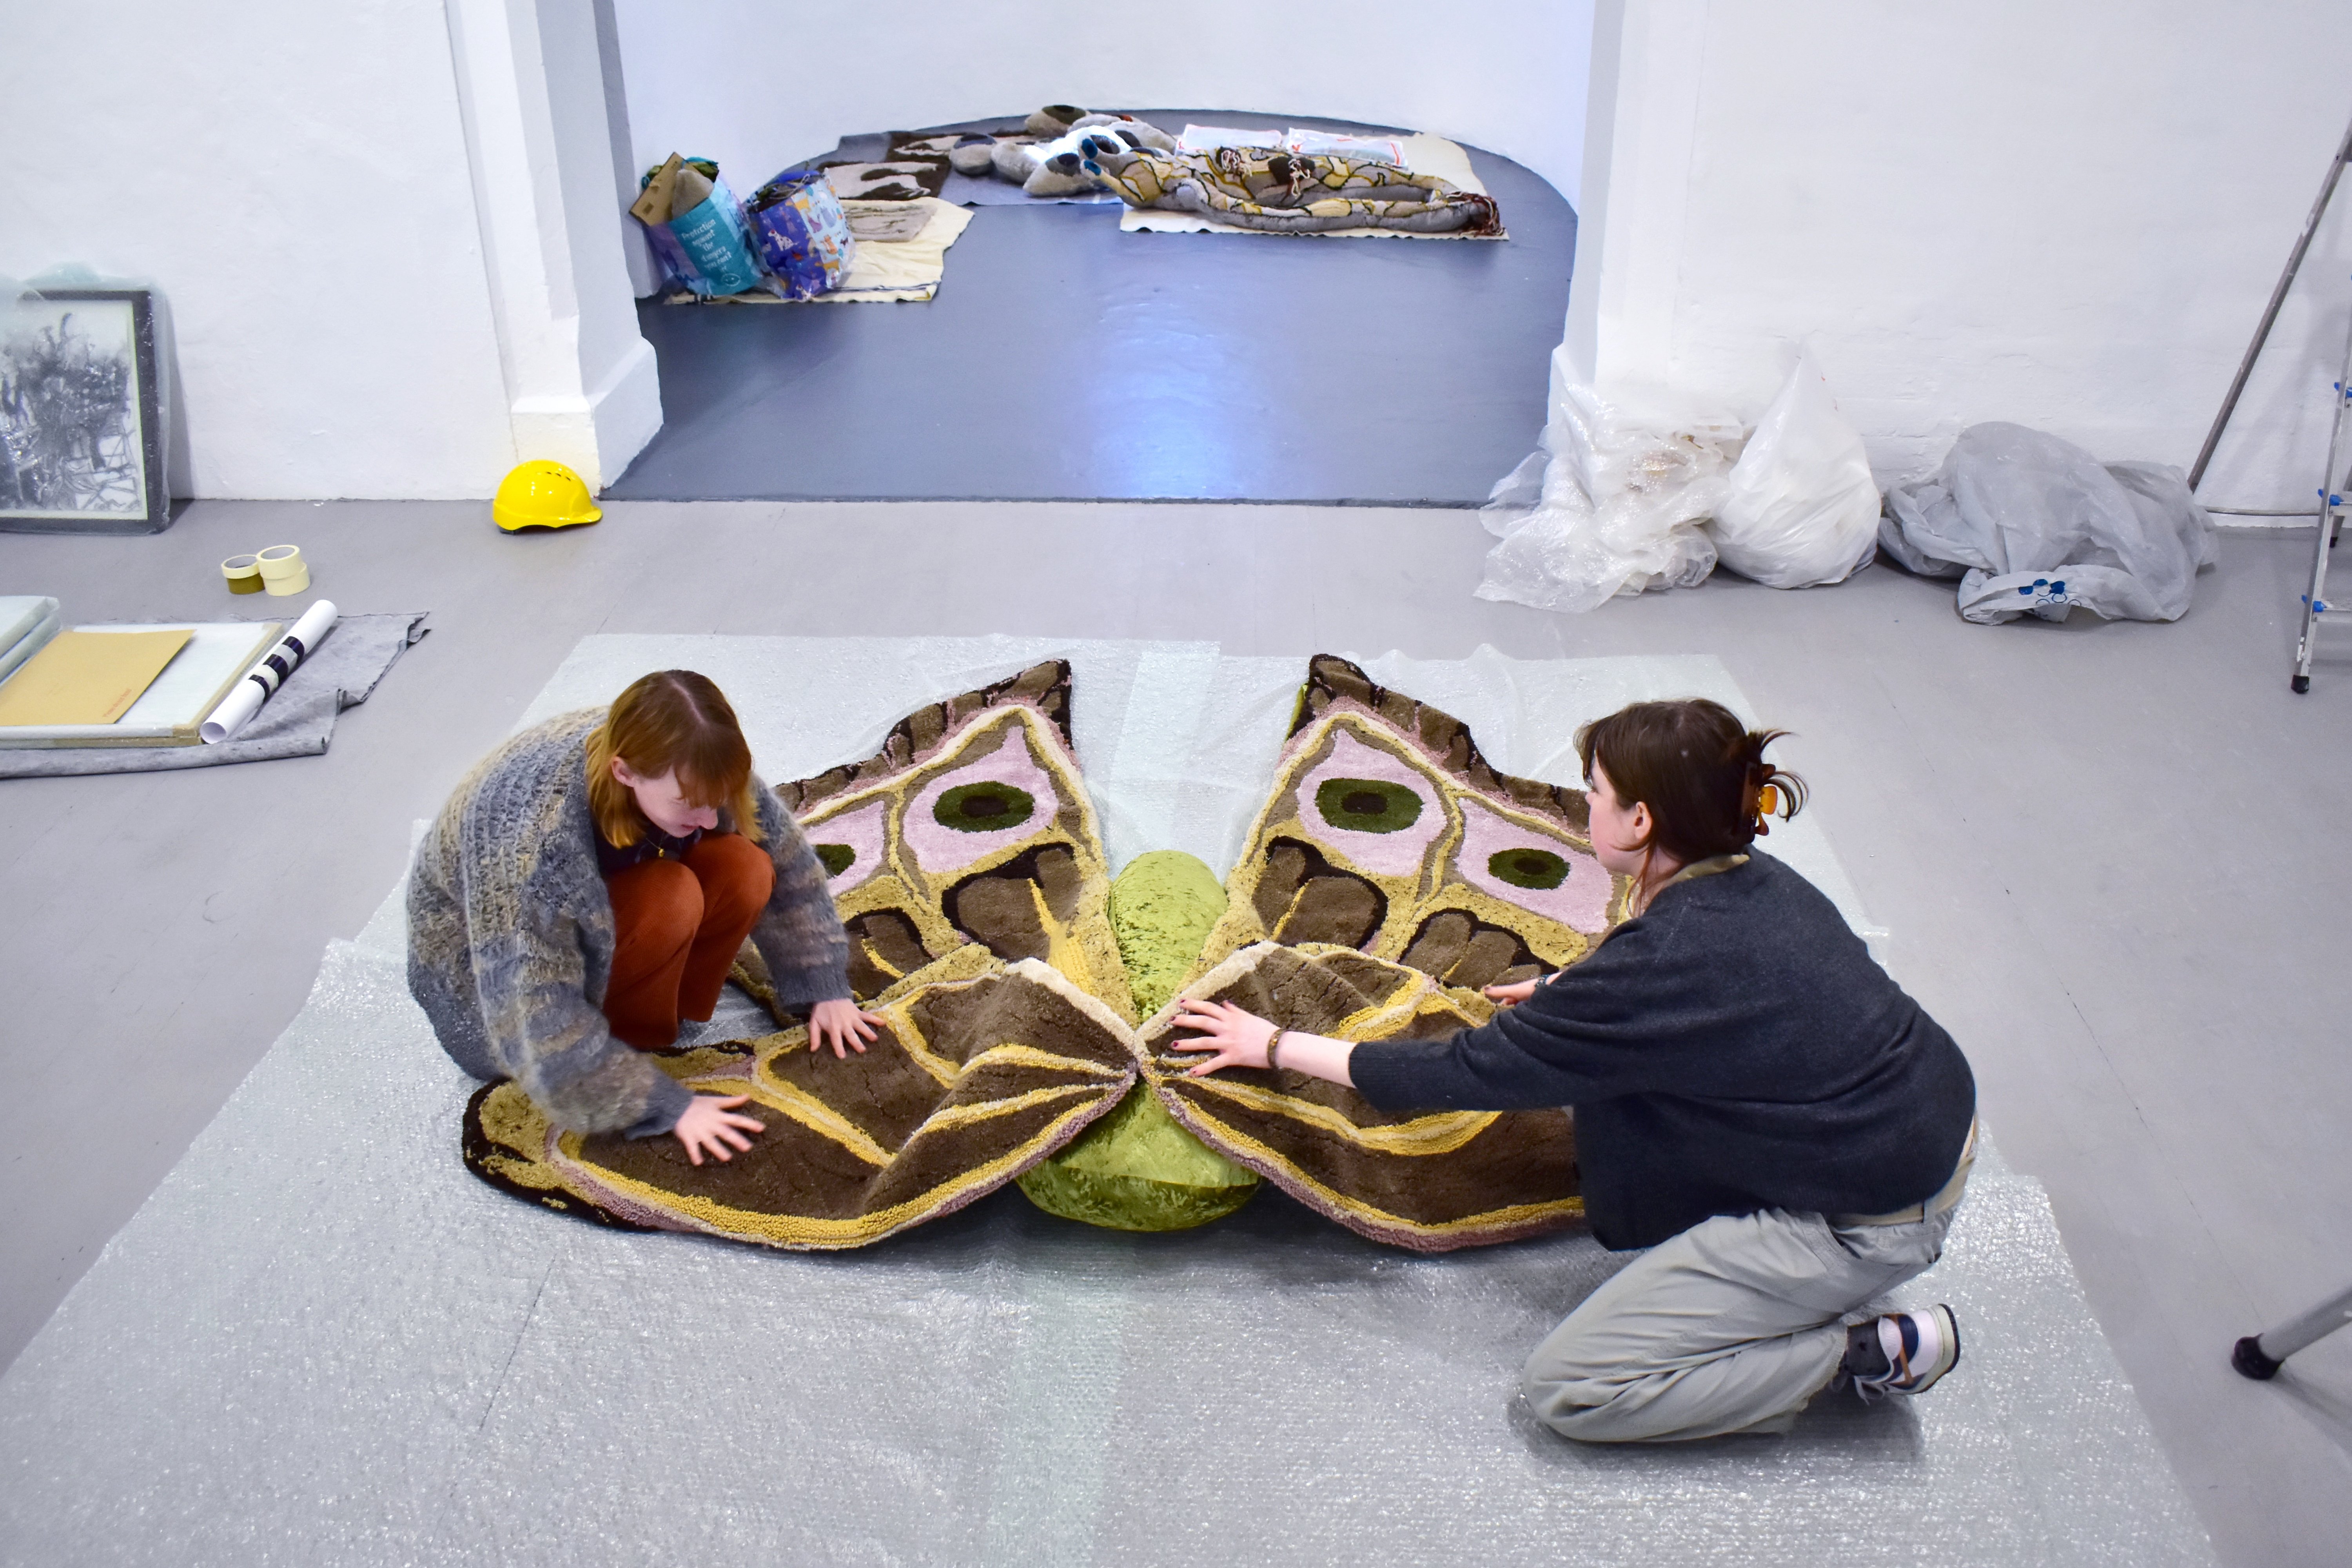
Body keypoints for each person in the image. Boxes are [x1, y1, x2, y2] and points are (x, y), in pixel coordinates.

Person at [1173, 698, 1978, 1443]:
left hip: (1870, 1214)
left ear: (1640, 818)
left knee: (1573, 1389)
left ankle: (1864, 1352)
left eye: (1594, 791)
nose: (1583, 803)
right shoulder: (1760, 882)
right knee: (1626, 1105)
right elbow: (1747, 999)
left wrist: (1272, 1044)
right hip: (1923, 1120)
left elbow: (1463, 1070)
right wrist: (1571, 994)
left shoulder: (1662, 957)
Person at [409, 670, 882, 1166]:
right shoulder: (530, 838)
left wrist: (824, 985)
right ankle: (627, 1050)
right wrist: (665, 1106)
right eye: (687, 805)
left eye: (714, 801)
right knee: (670, 896)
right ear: (624, 772)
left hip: (585, 921)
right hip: (483, 1004)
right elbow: (530, 1010)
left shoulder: (690, 760)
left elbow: (785, 860)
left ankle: (663, 1024)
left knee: (745, 865)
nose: (706, 820)